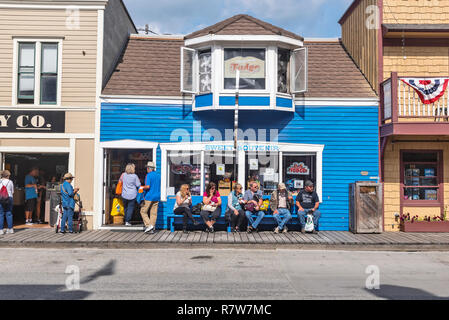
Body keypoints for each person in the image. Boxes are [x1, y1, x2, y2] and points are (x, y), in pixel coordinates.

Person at [140, 162, 160, 234]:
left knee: (143, 211)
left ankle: (149, 226)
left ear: (149, 168)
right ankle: (152, 228)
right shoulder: (158, 175)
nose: (146, 169)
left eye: (147, 168)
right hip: (157, 196)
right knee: (153, 213)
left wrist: (141, 187)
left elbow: (148, 186)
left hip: (149, 196)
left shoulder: (148, 175)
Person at [0, 170, 14, 235]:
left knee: (1, 214)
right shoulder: (10, 182)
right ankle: (10, 229)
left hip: (1, 198)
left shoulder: (0, 181)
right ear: (8, 176)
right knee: (9, 213)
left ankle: (1, 230)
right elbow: (12, 191)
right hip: (9, 198)